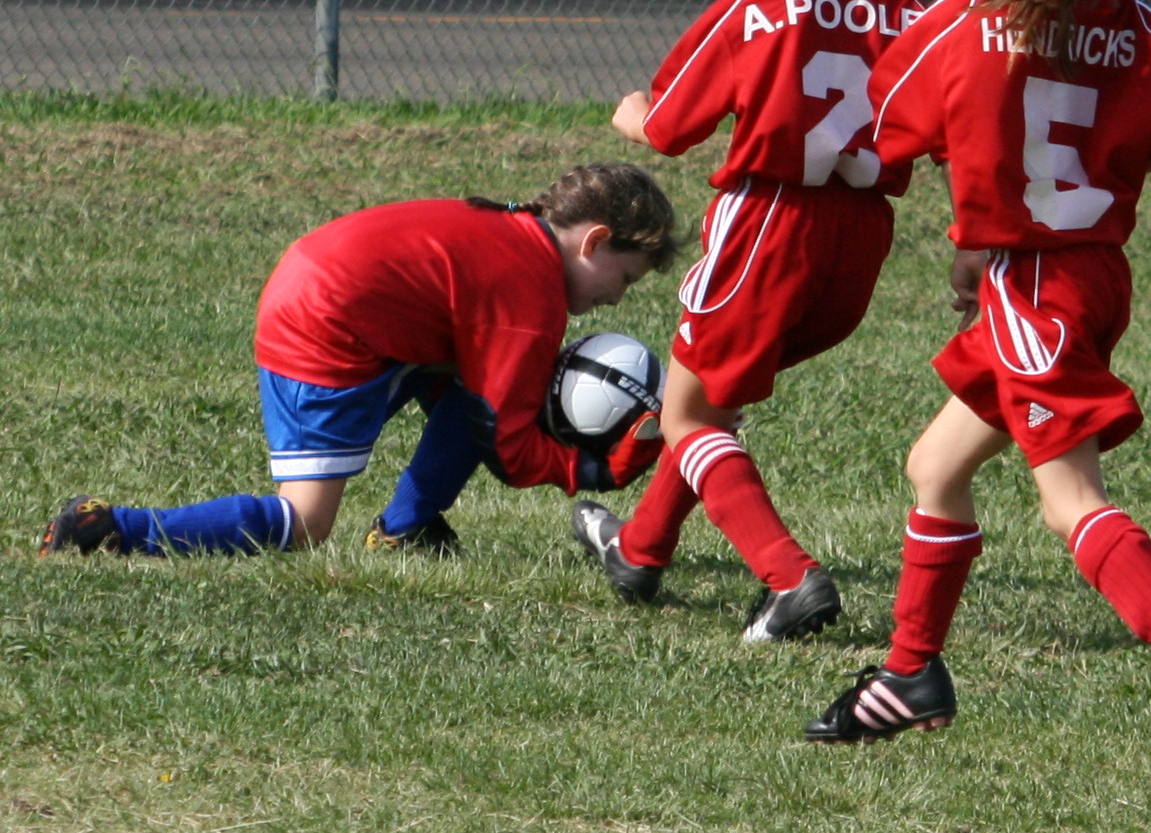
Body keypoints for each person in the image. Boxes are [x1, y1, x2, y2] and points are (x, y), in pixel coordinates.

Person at [813, 0, 1151, 787]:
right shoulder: (1144, 33)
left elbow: (890, 107)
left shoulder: (973, 12)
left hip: (1033, 287)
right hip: (1086, 278)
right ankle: (910, 673)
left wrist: (981, 181)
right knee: (935, 466)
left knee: (1070, 501)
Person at [575, 0, 918, 642]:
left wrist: (630, 114)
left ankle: (791, 578)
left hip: (769, 225)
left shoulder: (757, 0)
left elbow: (670, 127)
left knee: (690, 416)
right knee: (709, 401)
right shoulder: (906, 10)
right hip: (861, 238)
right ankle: (639, 550)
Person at [39, 161, 676, 558]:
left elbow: (485, 398)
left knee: (469, 389)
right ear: (594, 241)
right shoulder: (530, 293)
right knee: (304, 524)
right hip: (325, 328)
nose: (616, 298)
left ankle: (406, 528)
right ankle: (112, 530)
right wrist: (594, 469)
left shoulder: (516, 232)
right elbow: (507, 446)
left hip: (314, 290)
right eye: (623, 278)